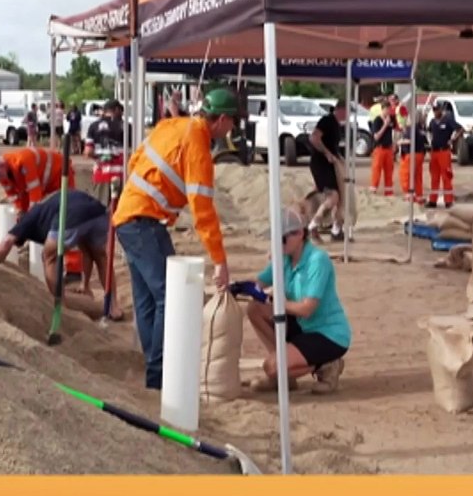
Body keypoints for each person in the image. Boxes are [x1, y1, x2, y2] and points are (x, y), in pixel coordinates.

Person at [112, 88, 236, 390]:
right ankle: (159, 377)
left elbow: (135, 162)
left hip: (129, 216)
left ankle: (153, 370)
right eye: (232, 121)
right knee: (171, 295)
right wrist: (220, 261)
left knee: (147, 300)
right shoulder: (198, 145)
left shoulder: (172, 124)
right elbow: (202, 209)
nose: (233, 128)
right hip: (143, 222)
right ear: (220, 120)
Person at [244, 206, 351, 395]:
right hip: (301, 326)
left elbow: (307, 309)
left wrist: (276, 301)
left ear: (300, 234)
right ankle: (286, 376)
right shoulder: (284, 258)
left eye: (282, 239)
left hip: (326, 333)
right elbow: (259, 283)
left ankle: (326, 365)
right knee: (255, 309)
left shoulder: (317, 260)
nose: (279, 243)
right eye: (276, 239)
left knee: (271, 366)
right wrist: (235, 286)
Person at [0, 189, 123, 320]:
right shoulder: (45, 207)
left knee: (49, 256)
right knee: (98, 255)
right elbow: (86, 252)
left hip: (70, 216)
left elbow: (7, 241)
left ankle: (59, 301)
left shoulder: (26, 220)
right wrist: (85, 284)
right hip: (98, 213)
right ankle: (113, 306)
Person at [0, 146, 75, 215]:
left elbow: (35, 195)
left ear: (1, 165)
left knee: (65, 210)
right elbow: (14, 196)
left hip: (61, 173)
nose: (0, 179)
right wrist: (20, 212)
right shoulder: (1, 174)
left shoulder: (23, 160)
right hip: (45, 186)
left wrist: (29, 217)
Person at [307, 99, 347, 240]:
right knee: (333, 196)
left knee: (340, 195)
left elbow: (332, 146)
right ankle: (314, 223)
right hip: (320, 164)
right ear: (341, 110)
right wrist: (326, 153)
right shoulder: (327, 120)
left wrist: (338, 157)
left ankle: (336, 228)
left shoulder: (336, 124)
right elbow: (314, 138)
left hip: (331, 164)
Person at [426, 101, 464, 208]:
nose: (435, 112)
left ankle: (448, 200)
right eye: (433, 110)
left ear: (441, 110)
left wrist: (452, 140)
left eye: (437, 109)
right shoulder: (433, 122)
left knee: (446, 176)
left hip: (444, 152)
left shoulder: (448, 120)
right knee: (434, 177)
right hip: (434, 152)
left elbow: (460, 129)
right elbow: (429, 132)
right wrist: (430, 142)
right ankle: (433, 200)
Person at [368, 101, 396, 196]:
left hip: (389, 149)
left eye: (389, 110)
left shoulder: (391, 119)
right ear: (382, 109)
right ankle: (373, 191)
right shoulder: (377, 120)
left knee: (389, 171)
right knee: (376, 170)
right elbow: (376, 137)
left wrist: (394, 144)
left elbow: (396, 129)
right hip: (379, 149)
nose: (388, 112)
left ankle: (389, 193)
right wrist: (385, 125)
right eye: (387, 110)